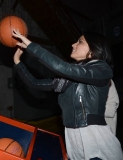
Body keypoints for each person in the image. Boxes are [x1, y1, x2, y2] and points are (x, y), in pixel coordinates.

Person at [12, 29, 123, 160]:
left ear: (93, 50)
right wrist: (17, 62)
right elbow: (35, 83)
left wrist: (31, 46)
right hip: (73, 140)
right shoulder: (69, 78)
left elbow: (63, 68)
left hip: (95, 142)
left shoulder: (102, 69)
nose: (73, 44)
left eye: (80, 42)